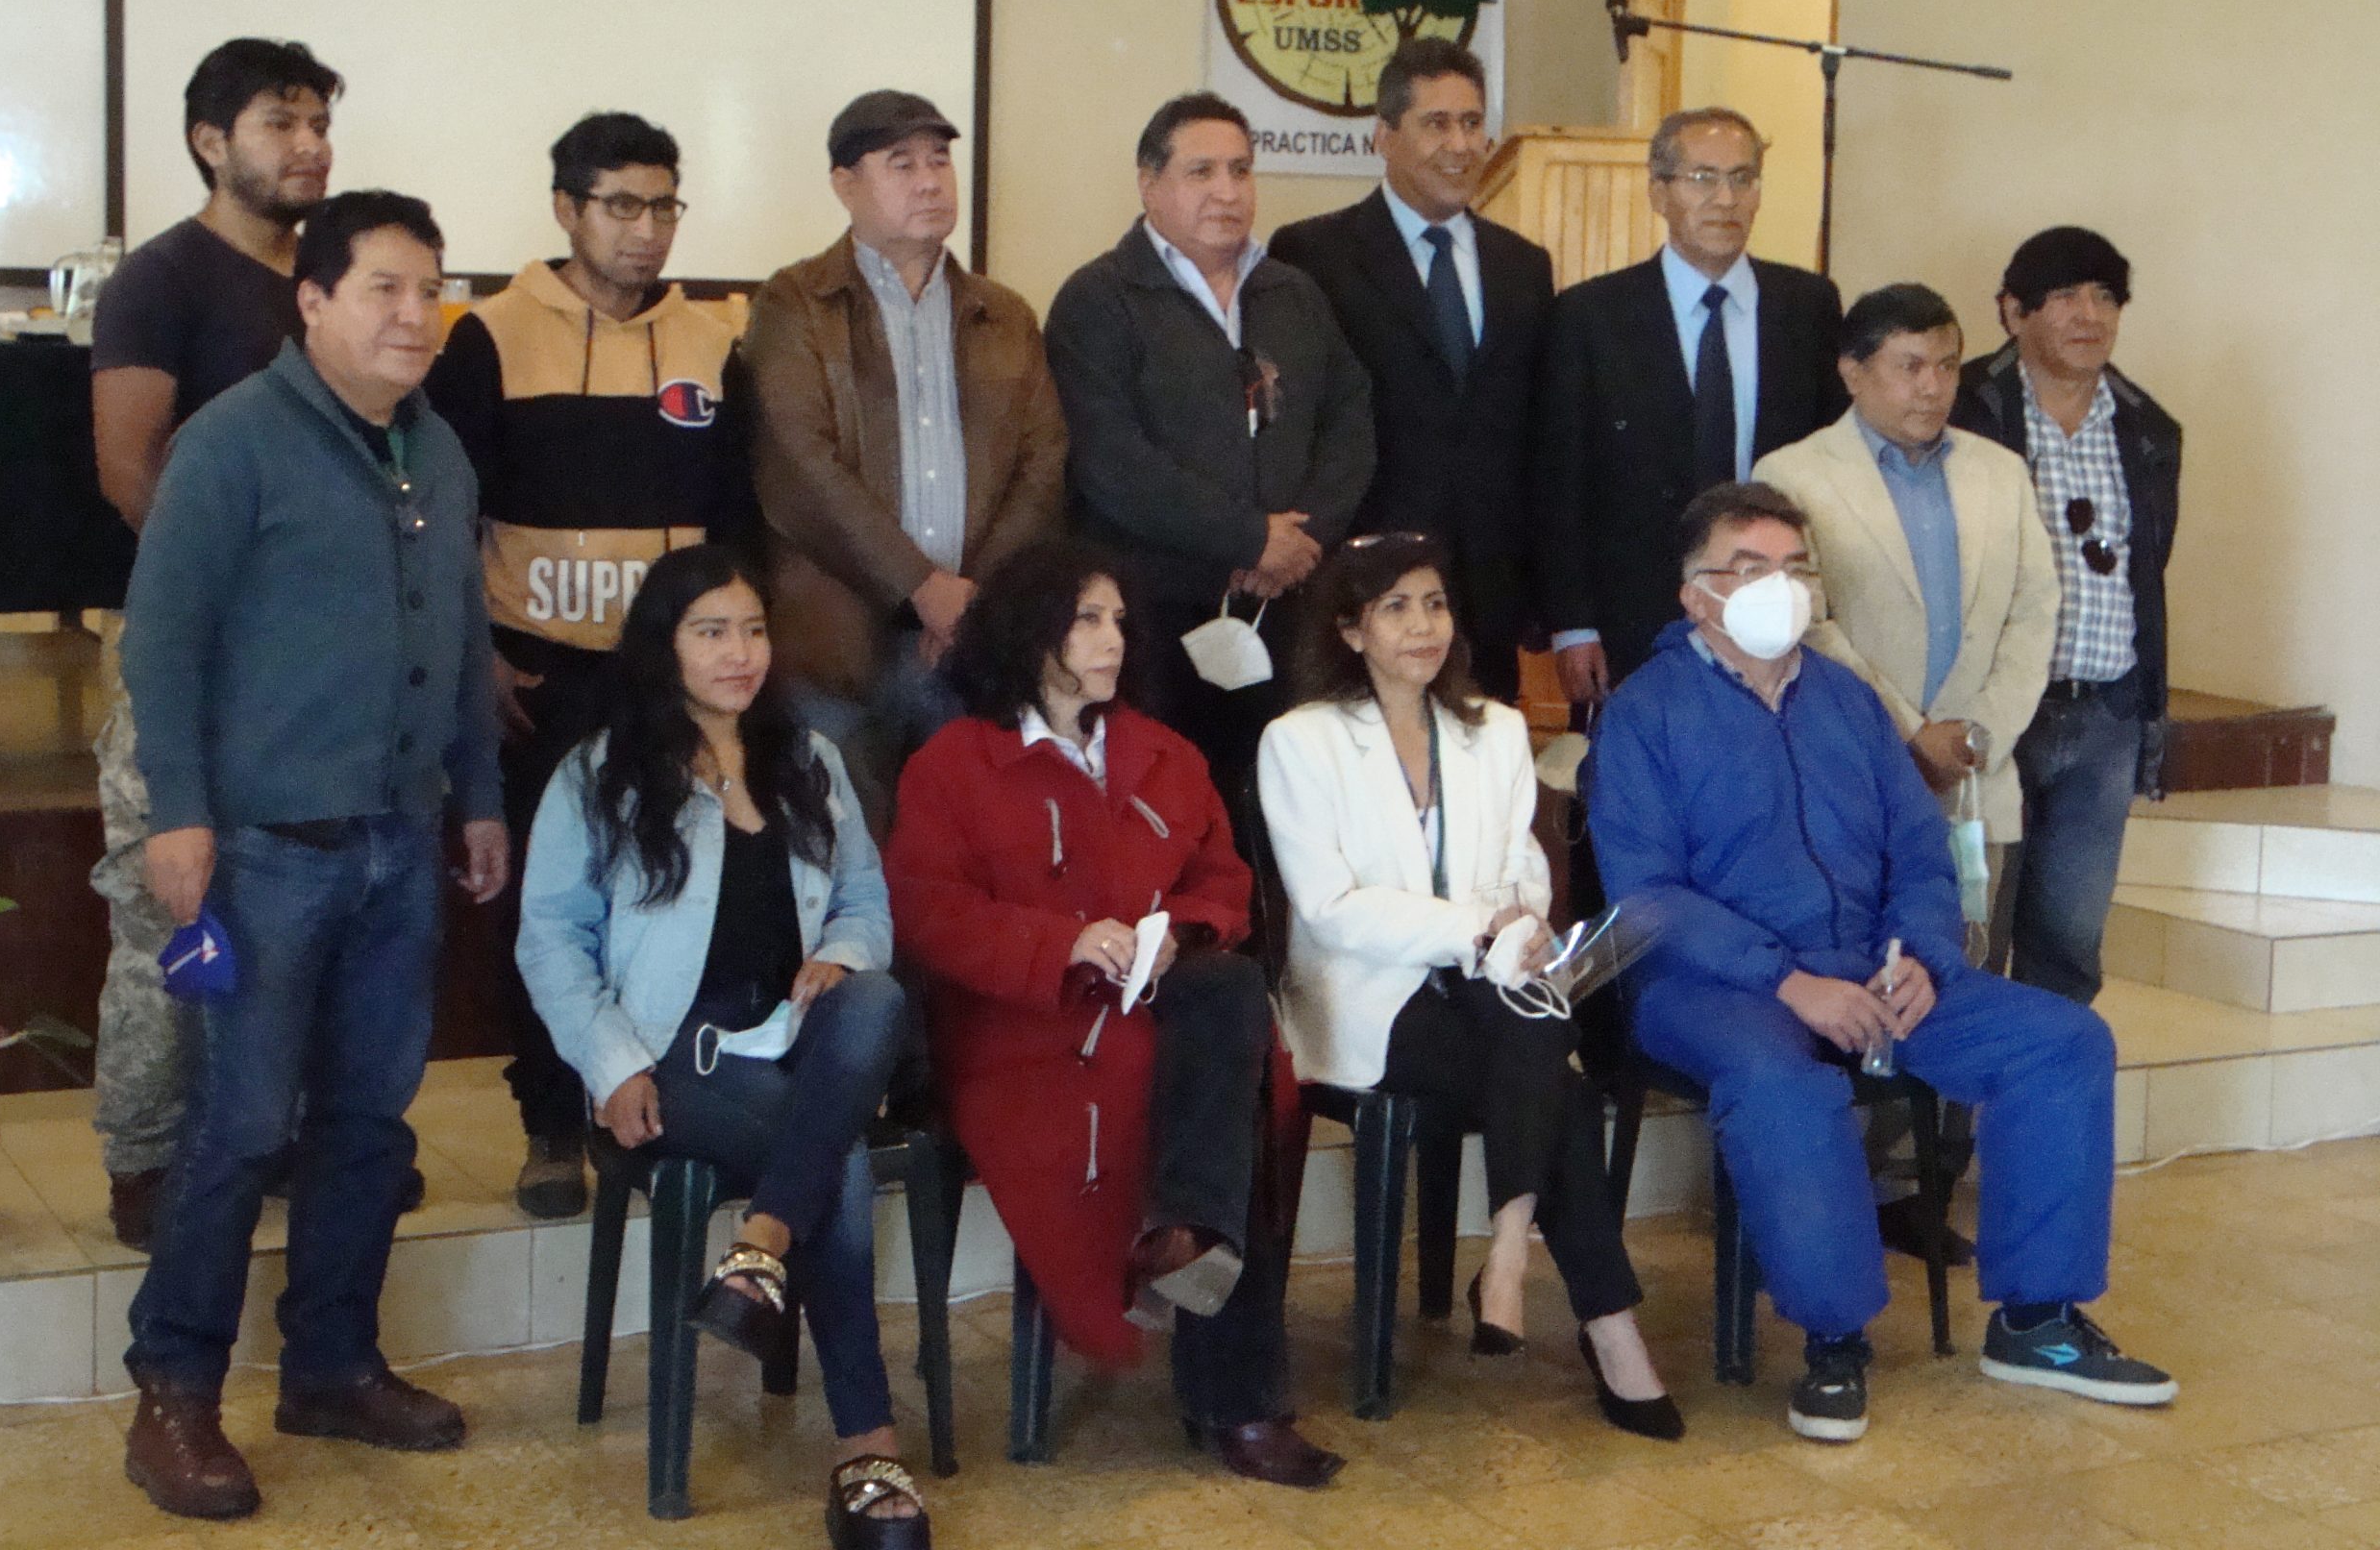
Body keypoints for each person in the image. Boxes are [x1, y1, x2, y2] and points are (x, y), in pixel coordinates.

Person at [1587, 482, 2174, 1445]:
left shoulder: (1847, 701)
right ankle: (1834, 1342)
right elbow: (1646, 895)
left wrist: (1922, 957)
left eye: (1795, 567)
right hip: (1715, 984)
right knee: (1781, 1084)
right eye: (1750, 568)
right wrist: (1788, 982)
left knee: (2060, 1041)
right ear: (1697, 594)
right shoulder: (1645, 713)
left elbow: (1919, 850)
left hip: (1874, 965)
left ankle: (2038, 1322)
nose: (1780, 587)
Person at [117, 191, 508, 1519]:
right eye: (386, 289)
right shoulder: (232, 442)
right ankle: (174, 1394)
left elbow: (463, 641)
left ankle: (332, 1365)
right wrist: (180, 814)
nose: (416, 315)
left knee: (367, 1124)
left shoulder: (435, 449)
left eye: (432, 290)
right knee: (238, 1129)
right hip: (264, 851)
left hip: (399, 840)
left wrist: (479, 797)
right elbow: (163, 640)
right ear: (314, 301)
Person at [885, 539, 1343, 1488]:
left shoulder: (1165, 753)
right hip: (1024, 1024)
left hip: (1157, 998)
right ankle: (1236, 1391)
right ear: (1031, 634)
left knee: (1231, 998)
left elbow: (1224, 883)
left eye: (1120, 621)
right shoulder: (952, 763)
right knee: (1231, 1075)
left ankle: (1188, 1238)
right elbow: (929, 914)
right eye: (1088, 620)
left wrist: (1182, 931)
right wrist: (1062, 944)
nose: (1113, 640)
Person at [514, 545, 929, 1547]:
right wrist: (610, 1064)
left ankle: (759, 1251)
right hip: (673, 1052)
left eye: (751, 630)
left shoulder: (808, 760)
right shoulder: (598, 774)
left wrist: (839, 953)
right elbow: (550, 940)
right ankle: (867, 1447)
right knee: (829, 1160)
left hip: (799, 1035)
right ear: (664, 646)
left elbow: (866, 902)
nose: (739, 653)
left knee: (876, 998)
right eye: (711, 633)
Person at [1256, 533, 1679, 1439]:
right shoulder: (1299, 741)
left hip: (1487, 981)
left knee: (1532, 1032)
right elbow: (1329, 908)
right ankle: (1584, 1310)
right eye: (1396, 608)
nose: (1424, 626)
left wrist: (1518, 923)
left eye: (1435, 604)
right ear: (1351, 629)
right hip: (1366, 994)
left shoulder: (1493, 731)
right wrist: (1474, 929)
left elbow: (1522, 866)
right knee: (1555, 1074)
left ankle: (1520, 1261)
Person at [424, 111, 759, 1220]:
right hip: (540, 681)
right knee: (552, 905)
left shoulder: (714, 342)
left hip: (672, 684)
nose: (645, 230)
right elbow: (445, 518)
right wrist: (475, 655)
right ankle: (550, 1122)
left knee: (673, 895)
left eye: (664, 206)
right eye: (621, 205)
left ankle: (672, 1105)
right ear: (567, 209)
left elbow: (735, 520)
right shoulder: (488, 336)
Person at [87, 37, 342, 1250]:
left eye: (318, 124)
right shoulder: (163, 279)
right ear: (210, 141)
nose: (309, 147)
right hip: (190, 652)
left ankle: (267, 1135)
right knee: (166, 909)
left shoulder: (334, 281)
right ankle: (144, 1161)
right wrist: (227, 601)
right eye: (280, 123)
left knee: (290, 907)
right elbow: (129, 467)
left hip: (314, 665)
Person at [1753, 284, 2058, 1261]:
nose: (1932, 387)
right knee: (1868, 964)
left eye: (1947, 365)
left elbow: (2034, 612)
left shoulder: (2000, 472)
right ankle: (1852, 1186)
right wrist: (1910, 734)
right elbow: (1812, 622)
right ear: (1854, 373)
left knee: (1963, 966)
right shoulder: (1794, 473)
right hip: (1857, 769)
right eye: (1909, 366)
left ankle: (1931, 1183)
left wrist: (1979, 734)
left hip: (1977, 774)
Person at [746, 89, 1066, 836]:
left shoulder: (1004, 314)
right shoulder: (795, 303)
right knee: (838, 854)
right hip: (835, 641)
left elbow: (1044, 461)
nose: (930, 181)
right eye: (902, 164)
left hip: (966, 642)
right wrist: (922, 587)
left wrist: (968, 602)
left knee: (965, 851)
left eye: (940, 160)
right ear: (844, 183)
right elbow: (800, 468)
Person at [1045, 92, 1374, 814]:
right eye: (1201, 172)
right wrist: (1250, 538)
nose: (1227, 191)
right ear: (1148, 183)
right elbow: (1111, 461)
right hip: (1152, 620)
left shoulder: (1293, 294)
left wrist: (1302, 540)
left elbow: (1350, 420)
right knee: (1161, 814)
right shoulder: (1099, 299)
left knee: (1280, 813)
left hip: (1286, 609)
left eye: (1240, 170)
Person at [1268, 40, 1554, 701]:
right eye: (1436, 124)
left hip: (1487, 599)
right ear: (1384, 136)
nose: (1461, 144)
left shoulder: (1523, 266)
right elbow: (1299, 429)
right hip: (1362, 593)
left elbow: (1539, 435)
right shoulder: (1313, 253)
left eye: (1473, 123)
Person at [1532, 106, 1846, 701]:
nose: (1725, 199)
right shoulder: (1591, 316)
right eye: (1703, 179)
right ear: (1658, 192)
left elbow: (1831, 457)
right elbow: (1560, 480)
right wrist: (1574, 623)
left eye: (1742, 178)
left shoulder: (1807, 306)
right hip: (1634, 613)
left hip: (1775, 606)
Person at [1951, 228, 2181, 1004]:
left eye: (2106, 297)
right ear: (2013, 312)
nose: (2090, 315)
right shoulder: (1963, 412)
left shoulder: (2149, 429)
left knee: (2070, 943)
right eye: (2065, 296)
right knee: (1973, 930)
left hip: (2104, 716)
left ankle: (2051, 1081)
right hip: (1994, 711)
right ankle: (1966, 1089)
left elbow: (2148, 567)